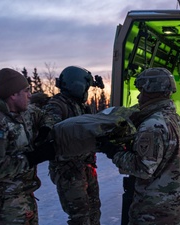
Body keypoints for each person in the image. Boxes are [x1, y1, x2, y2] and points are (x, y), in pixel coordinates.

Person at [99, 67, 180, 225]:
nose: (139, 97)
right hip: (177, 209)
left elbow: (143, 168)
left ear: (151, 90)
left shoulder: (152, 125)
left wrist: (114, 151)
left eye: (141, 91)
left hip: (154, 213)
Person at [0, 68, 55, 225]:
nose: (30, 95)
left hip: (24, 197)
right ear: (13, 94)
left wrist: (45, 129)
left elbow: (46, 115)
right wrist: (34, 157)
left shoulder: (24, 112)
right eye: (26, 91)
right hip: (5, 205)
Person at [43, 66, 101, 225]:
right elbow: (49, 130)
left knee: (94, 210)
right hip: (69, 171)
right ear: (77, 86)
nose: (87, 92)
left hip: (86, 166)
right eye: (86, 88)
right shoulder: (57, 105)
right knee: (80, 216)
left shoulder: (81, 106)